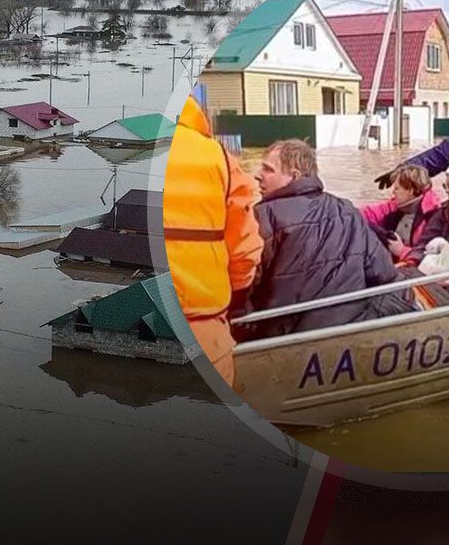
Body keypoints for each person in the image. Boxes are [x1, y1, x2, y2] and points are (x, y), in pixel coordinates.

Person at [243, 139, 413, 339]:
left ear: (294, 176)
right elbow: (384, 274)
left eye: (268, 169)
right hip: (351, 326)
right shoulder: (348, 210)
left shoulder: (259, 218)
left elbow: (243, 287)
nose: (257, 175)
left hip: (284, 338)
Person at [163, 96, 263, 387]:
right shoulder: (217, 157)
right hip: (204, 329)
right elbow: (245, 251)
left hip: (132, 322)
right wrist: (235, 298)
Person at [359, 164, 443, 266]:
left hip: (417, 272)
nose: (393, 192)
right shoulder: (396, 206)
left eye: (397, 188)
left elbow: (431, 259)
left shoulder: (434, 215)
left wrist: (401, 251)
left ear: (410, 190)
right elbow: (368, 213)